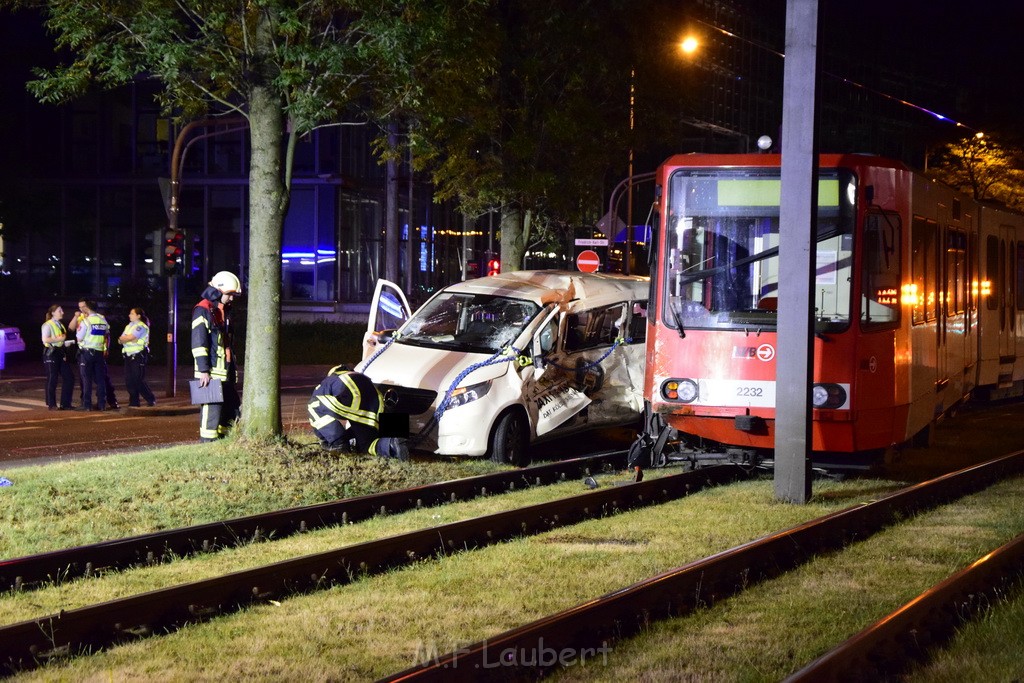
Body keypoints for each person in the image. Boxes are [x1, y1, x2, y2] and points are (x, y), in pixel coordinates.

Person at [307, 364, 408, 460]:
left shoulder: (330, 380)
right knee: (366, 445)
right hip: (377, 400)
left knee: (313, 405)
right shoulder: (360, 377)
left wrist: (332, 440)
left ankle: (339, 444)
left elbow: (318, 413)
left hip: (350, 393)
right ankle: (392, 443)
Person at [192, 271, 242, 441]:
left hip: (225, 371)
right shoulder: (203, 310)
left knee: (232, 409)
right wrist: (204, 370)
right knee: (211, 412)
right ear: (219, 291)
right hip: (211, 373)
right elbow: (199, 343)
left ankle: (223, 441)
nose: (232, 299)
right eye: (229, 295)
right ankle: (208, 444)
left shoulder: (223, 310)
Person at [72, 299, 111, 411]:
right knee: (100, 379)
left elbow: (79, 337)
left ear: (88, 308)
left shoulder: (86, 321)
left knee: (86, 379)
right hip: (99, 352)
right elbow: (107, 334)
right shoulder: (103, 320)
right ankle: (102, 404)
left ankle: (87, 405)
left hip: (87, 352)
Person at [118, 307, 156, 408]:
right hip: (128, 355)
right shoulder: (129, 326)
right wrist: (127, 339)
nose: (129, 315)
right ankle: (134, 402)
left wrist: (127, 338)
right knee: (129, 380)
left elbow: (130, 337)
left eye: (132, 313)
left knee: (138, 380)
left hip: (138, 355)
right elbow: (120, 339)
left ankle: (150, 398)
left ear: (138, 316)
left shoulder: (141, 326)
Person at [41, 304, 75, 410]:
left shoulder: (60, 324)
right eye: (60, 311)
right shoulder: (47, 325)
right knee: (52, 378)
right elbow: (45, 340)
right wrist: (59, 339)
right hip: (51, 353)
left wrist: (65, 343)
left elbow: (61, 339)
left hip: (60, 353)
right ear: (53, 313)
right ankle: (52, 404)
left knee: (69, 377)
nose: (62, 312)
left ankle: (66, 404)